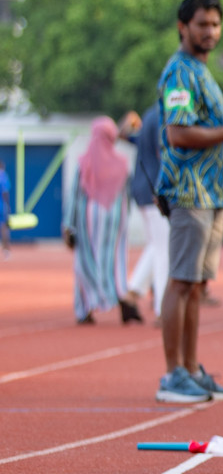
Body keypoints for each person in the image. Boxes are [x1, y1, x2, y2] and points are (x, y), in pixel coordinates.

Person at [155, 0, 223, 404]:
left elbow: (206, 126)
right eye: (202, 24)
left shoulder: (202, 71)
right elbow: (178, 133)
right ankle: (171, 374)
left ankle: (192, 369)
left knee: (196, 285)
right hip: (188, 190)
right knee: (181, 281)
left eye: (216, 25)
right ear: (183, 27)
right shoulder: (180, 72)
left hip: (213, 192)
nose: (210, 32)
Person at [64, 117, 140, 325]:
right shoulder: (122, 164)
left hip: (86, 222)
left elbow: (74, 195)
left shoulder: (84, 162)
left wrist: (68, 224)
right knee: (115, 263)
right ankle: (121, 298)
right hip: (115, 222)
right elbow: (127, 196)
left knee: (84, 263)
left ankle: (84, 309)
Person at [125, 102, 169, 321]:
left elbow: (128, 137)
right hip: (154, 189)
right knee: (164, 250)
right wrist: (164, 188)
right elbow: (164, 155)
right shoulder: (163, 115)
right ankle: (162, 308)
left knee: (157, 245)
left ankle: (133, 290)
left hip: (141, 187)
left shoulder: (148, 115)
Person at [0, 157, 11, 258]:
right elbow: (5, 192)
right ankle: (6, 250)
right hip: (1, 206)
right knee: (4, 228)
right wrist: (7, 206)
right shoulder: (3, 176)